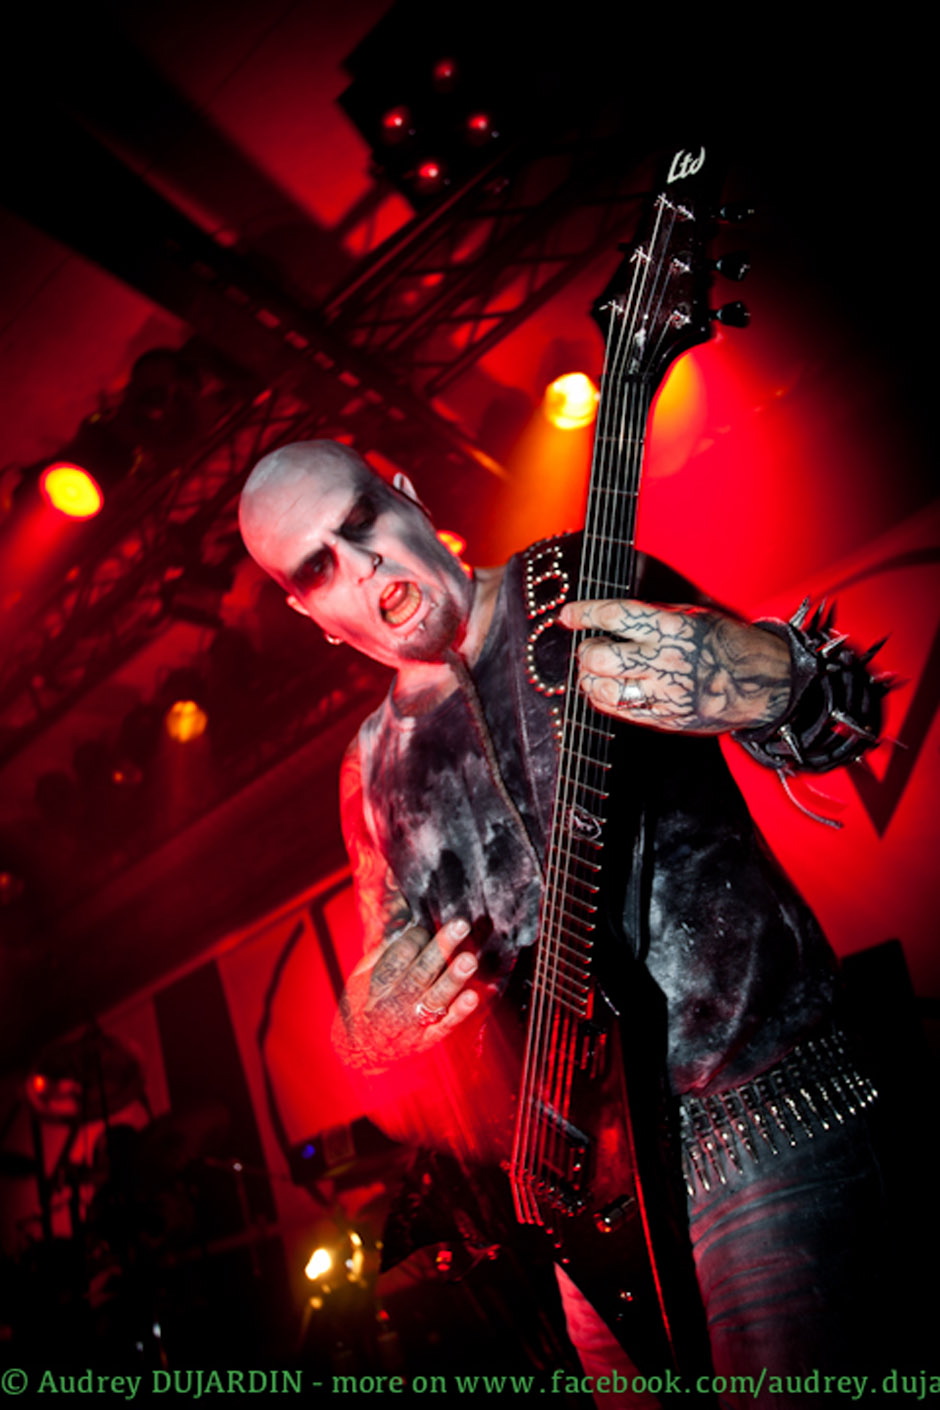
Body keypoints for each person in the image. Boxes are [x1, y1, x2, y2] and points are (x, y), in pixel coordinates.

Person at [239, 439, 892, 1406]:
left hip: (759, 1118)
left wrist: (771, 679)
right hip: (591, 1216)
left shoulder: (576, 582)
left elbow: (841, 719)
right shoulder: (369, 769)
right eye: (318, 567)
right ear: (309, 615)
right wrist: (370, 1030)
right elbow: (389, 985)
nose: (363, 565)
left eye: (362, 522)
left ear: (408, 497)